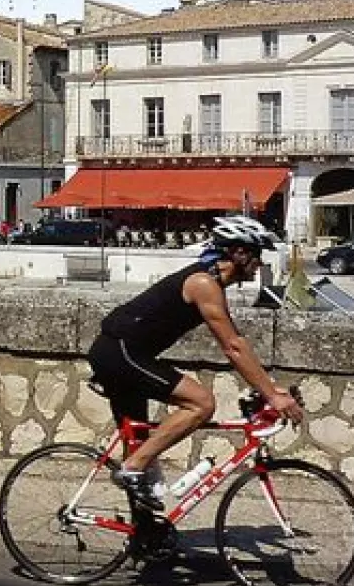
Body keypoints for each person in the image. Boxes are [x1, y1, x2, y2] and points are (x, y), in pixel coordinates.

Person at [87, 214, 304, 513]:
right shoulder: (203, 283)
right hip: (119, 351)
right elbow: (233, 346)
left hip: (127, 353)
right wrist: (271, 394)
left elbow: (236, 345)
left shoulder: (210, 281)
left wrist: (269, 387)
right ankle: (132, 468)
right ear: (238, 253)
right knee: (201, 403)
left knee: (138, 444)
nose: (261, 263)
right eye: (257, 255)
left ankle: (146, 537)